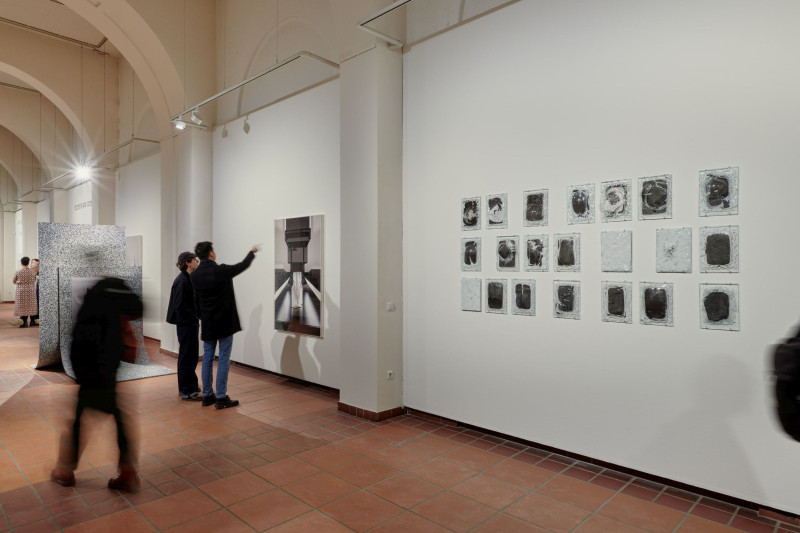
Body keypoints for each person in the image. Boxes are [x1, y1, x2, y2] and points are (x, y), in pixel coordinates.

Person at [51, 278, 143, 492]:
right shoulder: (117, 288)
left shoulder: (95, 294)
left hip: (90, 365)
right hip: (109, 363)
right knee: (115, 414)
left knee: (81, 416)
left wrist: (77, 369)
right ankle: (127, 471)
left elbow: (81, 336)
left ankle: (65, 470)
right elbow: (138, 309)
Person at [191, 242, 258, 409]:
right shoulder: (220, 270)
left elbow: (197, 300)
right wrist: (251, 252)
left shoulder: (195, 275)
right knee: (223, 358)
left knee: (207, 358)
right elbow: (242, 266)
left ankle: (207, 395)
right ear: (211, 254)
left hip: (207, 322)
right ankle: (221, 397)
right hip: (224, 321)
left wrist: (201, 316)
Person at [166, 252, 202, 401]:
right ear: (188, 263)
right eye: (195, 260)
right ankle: (187, 391)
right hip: (186, 324)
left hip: (189, 323)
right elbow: (180, 305)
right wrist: (193, 318)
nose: (197, 262)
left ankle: (190, 386)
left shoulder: (188, 279)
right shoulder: (182, 281)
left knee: (190, 356)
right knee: (187, 357)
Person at [12, 257, 38, 327]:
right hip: (31, 290)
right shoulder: (32, 272)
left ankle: (24, 322)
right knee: (31, 305)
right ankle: (32, 321)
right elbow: (34, 280)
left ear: (21, 263)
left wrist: (19, 282)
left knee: (23, 306)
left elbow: (13, 281)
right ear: (28, 263)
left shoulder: (18, 271)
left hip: (21, 291)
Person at [31, 259, 40, 325]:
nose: (32, 264)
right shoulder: (30, 272)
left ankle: (34, 320)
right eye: (31, 262)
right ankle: (33, 320)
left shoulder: (39, 273)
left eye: (33, 262)